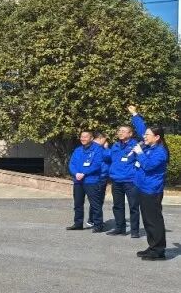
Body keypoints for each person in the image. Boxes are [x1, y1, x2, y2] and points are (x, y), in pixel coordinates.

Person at [131, 122, 169, 261]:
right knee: (147, 220)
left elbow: (148, 166)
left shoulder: (160, 152)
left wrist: (140, 153)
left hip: (152, 190)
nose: (144, 136)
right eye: (145, 134)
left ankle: (158, 250)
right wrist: (135, 116)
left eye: (148, 134)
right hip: (143, 187)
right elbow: (142, 129)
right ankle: (152, 246)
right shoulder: (149, 147)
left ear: (157, 137)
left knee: (154, 221)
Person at [105, 108, 143, 238]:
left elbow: (143, 131)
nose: (120, 133)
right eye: (119, 131)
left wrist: (135, 115)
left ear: (130, 134)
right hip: (116, 180)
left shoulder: (136, 145)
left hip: (131, 181)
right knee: (117, 206)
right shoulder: (115, 145)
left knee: (133, 207)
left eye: (123, 131)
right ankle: (120, 228)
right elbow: (108, 158)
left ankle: (134, 231)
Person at [65, 130, 106, 232]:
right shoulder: (78, 150)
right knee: (78, 204)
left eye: (85, 137)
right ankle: (78, 224)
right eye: (81, 137)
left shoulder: (98, 149)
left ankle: (98, 225)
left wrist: (84, 173)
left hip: (91, 180)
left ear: (91, 138)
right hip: (78, 181)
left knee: (95, 204)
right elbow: (72, 164)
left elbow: (97, 164)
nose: (83, 139)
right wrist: (76, 173)